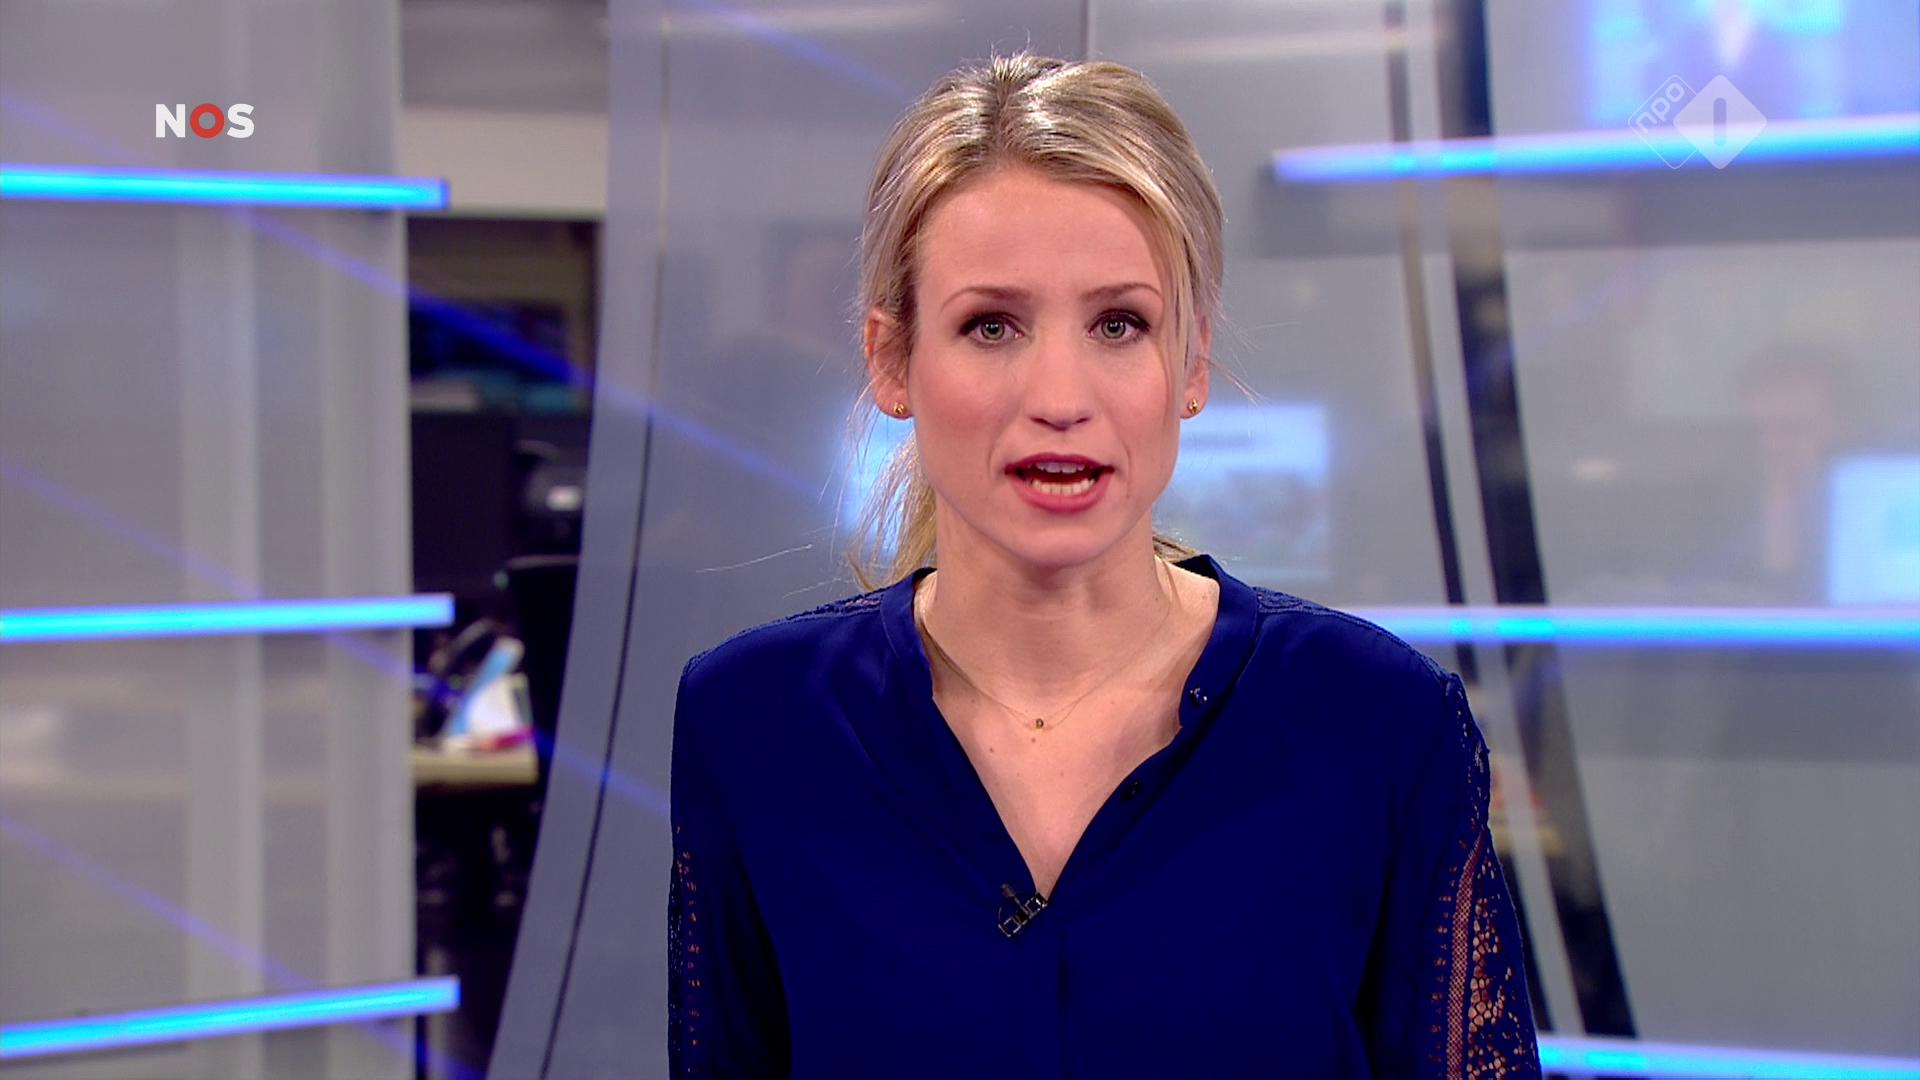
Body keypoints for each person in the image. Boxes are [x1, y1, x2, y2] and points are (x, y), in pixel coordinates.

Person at [668, 51, 1541, 1078]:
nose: (1060, 397)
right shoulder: (755, 724)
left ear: (1192, 362)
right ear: (892, 360)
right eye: (991, 326)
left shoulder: (1379, 724)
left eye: (1119, 324)